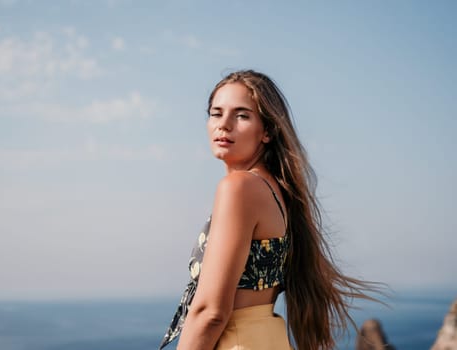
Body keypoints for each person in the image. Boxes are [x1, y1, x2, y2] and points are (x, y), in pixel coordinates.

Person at [159, 70, 378, 350]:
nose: (223, 125)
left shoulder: (238, 187)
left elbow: (210, 312)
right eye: (216, 113)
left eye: (242, 115)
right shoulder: (275, 191)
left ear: (268, 131)